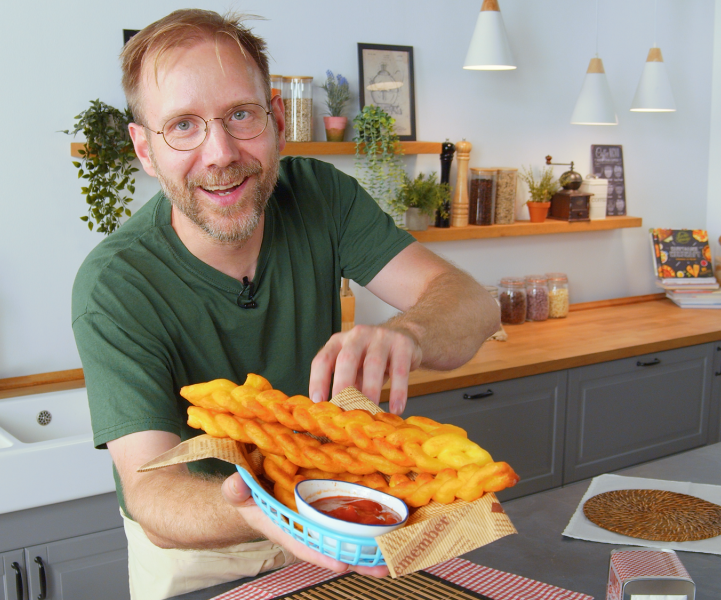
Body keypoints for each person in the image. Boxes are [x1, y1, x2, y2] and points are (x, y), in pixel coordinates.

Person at [71, 8, 499, 600]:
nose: (220, 153)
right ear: (144, 149)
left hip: (333, 518)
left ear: (275, 117)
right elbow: (153, 495)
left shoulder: (322, 196)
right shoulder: (115, 284)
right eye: (183, 126)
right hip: (201, 551)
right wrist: (263, 511)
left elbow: (475, 305)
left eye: (239, 115)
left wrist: (411, 333)